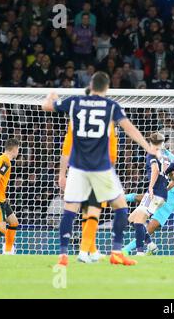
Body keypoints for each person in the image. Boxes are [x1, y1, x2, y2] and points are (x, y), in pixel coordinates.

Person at [41, 71, 155, 266]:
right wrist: (149, 148)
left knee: (70, 210)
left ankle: (63, 255)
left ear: (90, 85)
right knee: (121, 207)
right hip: (102, 168)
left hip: (77, 167)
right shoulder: (111, 107)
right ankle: (116, 252)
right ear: (107, 87)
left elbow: (46, 107)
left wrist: (51, 96)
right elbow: (129, 128)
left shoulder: (76, 102)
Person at [58, 88, 118, 262]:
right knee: (93, 210)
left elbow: (66, 148)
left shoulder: (76, 121)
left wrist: (62, 173)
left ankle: (89, 250)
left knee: (82, 210)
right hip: (98, 170)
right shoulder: (107, 117)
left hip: (78, 171)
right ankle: (84, 252)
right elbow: (112, 151)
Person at [127, 132, 174, 256]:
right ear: (162, 143)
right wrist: (164, 190)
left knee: (139, 221)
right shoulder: (165, 158)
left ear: (150, 142)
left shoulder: (151, 154)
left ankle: (140, 252)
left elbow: (155, 170)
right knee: (132, 218)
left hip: (153, 193)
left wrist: (150, 188)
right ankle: (150, 244)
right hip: (161, 195)